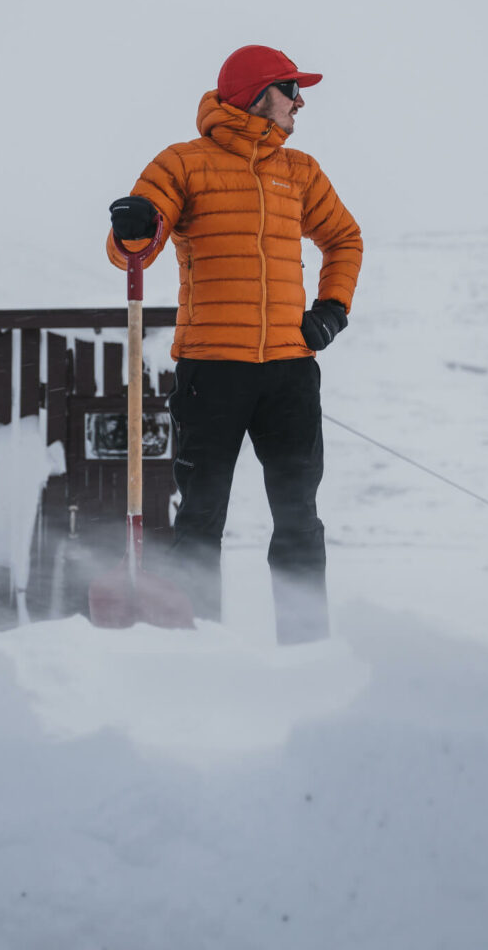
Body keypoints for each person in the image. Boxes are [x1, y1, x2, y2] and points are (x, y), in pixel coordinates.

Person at [107, 44, 362, 642]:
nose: (301, 102)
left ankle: (306, 647)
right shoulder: (183, 164)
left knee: (300, 517)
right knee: (199, 520)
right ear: (258, 93)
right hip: (211, 375)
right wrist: (132, 228)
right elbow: (133, 250)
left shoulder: (299, 171)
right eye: (292, 89)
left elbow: (344, 238)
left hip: (290, 377)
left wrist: (331, 309)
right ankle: (193, 651)